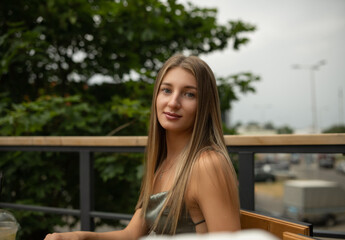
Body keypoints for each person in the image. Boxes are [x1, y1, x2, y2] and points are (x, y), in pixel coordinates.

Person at [44, 54, 241, 240]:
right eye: (167, 90)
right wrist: (80, 236)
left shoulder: (207, 164)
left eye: (189, 94)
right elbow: (131, 235)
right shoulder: (163, 162)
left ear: (204, 106)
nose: (173, 102)